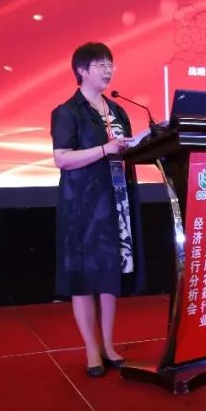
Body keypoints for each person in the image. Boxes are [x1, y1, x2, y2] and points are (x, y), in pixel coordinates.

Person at [51, 42, 143, 377]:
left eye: (110, 64)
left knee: (108, 275)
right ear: (82, 71)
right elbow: (62, 158)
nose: (107, 70)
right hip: (83, 207)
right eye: (100, 64)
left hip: (116, 201)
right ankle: (91, 349)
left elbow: (124, 151)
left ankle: (108, 345)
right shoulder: (68, 112)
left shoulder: (117, 110)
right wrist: (105, 149)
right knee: (84, 277)